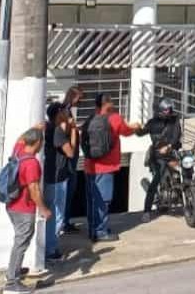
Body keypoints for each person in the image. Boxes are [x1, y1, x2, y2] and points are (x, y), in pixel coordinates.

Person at [83, 93, 140, 242]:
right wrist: (135, 127)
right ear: (108, 103)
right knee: (103, 200)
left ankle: (92, 229)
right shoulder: (114, 118)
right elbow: (127, 132)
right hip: (106, 167)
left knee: (92, 199)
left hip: (89, 165)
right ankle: (101, 231)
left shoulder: (90, 119)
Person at [4, 127, 50, 294]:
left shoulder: (18, 151)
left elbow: (20, 138)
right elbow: (34, 189)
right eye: (42, 141)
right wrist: (43, 209)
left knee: (20, 241)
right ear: (38, 143)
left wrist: (36, 128)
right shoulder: (31, 163)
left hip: (12, 206)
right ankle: (11, 283)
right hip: (24, 208)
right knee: (21, 243)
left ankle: (13, 271)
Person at [141, 99, 182, 223]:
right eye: (166, 110)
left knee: (187, 166)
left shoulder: (175, 119)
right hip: (158, 155)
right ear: (159, 111)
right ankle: (146, 212)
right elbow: (147, 134)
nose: (168, 111)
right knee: (156, 180)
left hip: (172, 151)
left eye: (169, 109)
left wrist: (170, 146)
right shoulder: (153, 123)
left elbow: (177, 134)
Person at [43, 102, 75, 261]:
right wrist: (74, 132)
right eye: (63, 111)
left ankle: (49, 246)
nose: (66, 113)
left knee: (52, 212)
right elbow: (70, 152)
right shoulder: (57, 131)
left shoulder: (47, 128)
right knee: (57, 213)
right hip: (58, 177)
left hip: (49, 175)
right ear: (58, 114)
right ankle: (51, 249)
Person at [60, 86, 84, 234]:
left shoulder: (67, 111)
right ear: (73, 97)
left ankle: (65, 221)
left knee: (70, 190)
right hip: (69, 159)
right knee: (68, 190)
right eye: (78, 98)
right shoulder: (65, 111)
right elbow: (67, 132)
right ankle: (64, 222)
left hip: (72, 159)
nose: (80, 101)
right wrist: (75, 130)